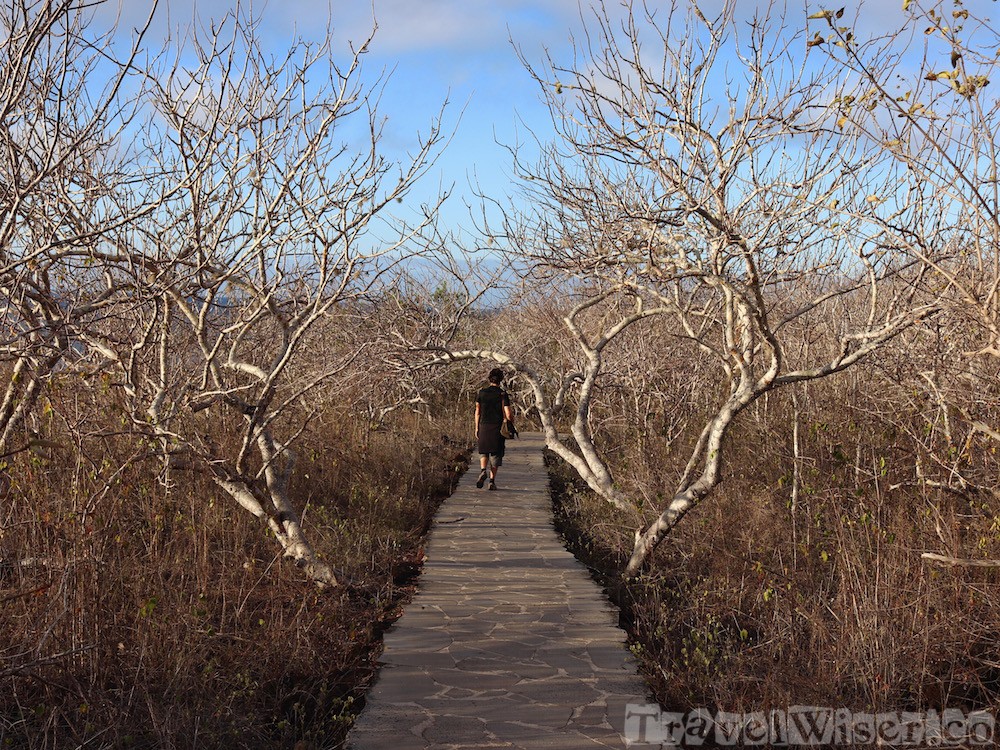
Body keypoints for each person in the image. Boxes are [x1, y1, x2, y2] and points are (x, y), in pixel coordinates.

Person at [474, 367, 515, 490]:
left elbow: (477, 411)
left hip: (484, 426)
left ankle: (482, 470)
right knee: (496, 454)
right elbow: (508, 413)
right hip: (498, 427)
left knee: (484, 451)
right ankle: (491, 481)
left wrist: (476, 428)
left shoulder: (481, 393)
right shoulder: (502, 394)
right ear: (501, 380)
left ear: (489, 379)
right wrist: (511, 423)